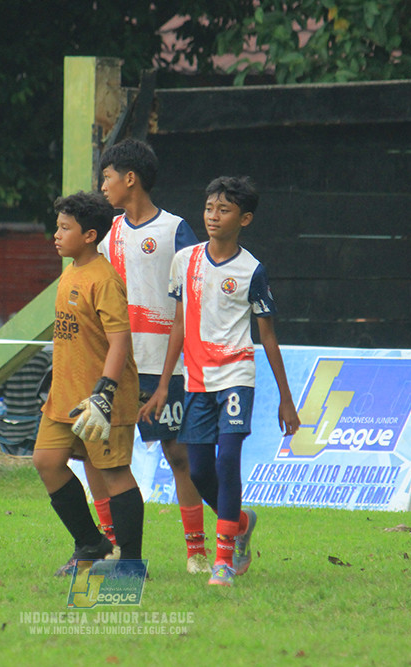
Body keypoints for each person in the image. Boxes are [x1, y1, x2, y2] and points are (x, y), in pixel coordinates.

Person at [140, 176, 300, 587]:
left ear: (244, 219)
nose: (213, 216)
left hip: (236, 377)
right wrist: (163, 385)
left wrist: (286, 399)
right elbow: (178, 324)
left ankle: (223, 561)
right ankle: (241, 522)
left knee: (228, 460)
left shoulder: (252, 271)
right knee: (199, 472)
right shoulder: (185, 261)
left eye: (224, 210)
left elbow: (267, 336)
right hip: (195, 382)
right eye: (210, 207)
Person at [96, 138, 208, 574]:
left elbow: (194, 295)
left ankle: (197, 552)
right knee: (103, 455)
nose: (102, 186)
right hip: (122, 367)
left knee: (179, 455)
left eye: (107, 177)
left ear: (130, 179)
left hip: (168, 367)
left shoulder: (176, 230)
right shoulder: (109, 235)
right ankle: (112, 547)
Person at [32, 191, 144, 576]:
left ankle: (130, 564)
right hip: (64, 398)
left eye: (65, 228)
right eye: (57, 226)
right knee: (46, 462)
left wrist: (105, 393)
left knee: (115, 475)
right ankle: (91, 543)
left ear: (90, 235)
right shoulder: (71, 271)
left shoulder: (104, 279)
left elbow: (120, 341)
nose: (56, 234)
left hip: (100, 398)